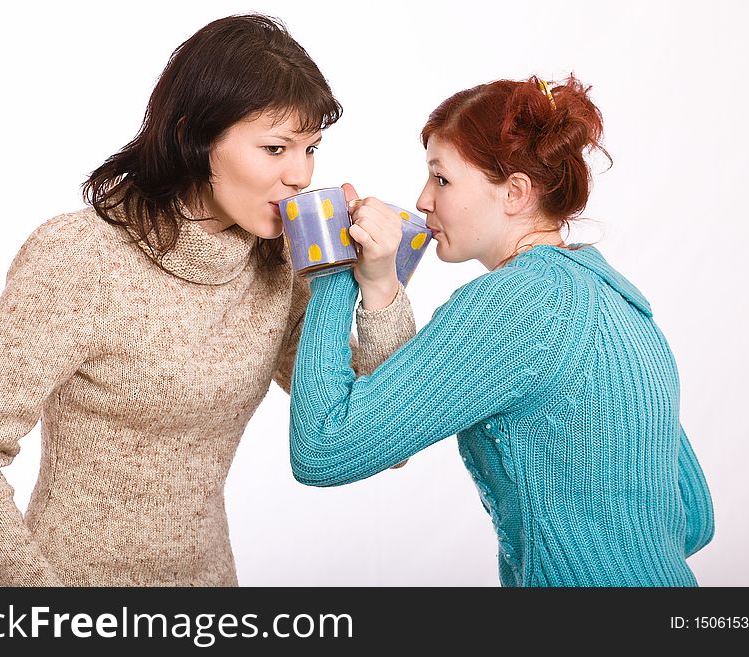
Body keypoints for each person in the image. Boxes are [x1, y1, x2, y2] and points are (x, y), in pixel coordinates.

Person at [0, 14, 416, 587]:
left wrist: (377, 287)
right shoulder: (79, 256)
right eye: (276, 148)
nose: (300, 176)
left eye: (311, 149)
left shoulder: (280, 263)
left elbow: (379, 438)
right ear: (193, 139)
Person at [289, 75, 715, 586]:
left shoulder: (516, 306)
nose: (423, 200)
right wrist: (379, 283)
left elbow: (322, 447)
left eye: (441, 179)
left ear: (515, 192)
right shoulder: (616, 296)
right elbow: (692, 516)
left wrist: (334, 268)